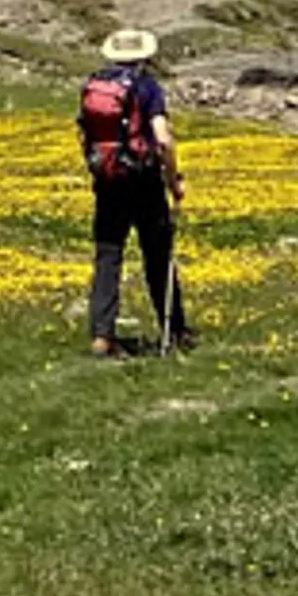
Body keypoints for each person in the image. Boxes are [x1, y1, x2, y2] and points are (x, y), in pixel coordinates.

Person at [80, 27, 193, 356]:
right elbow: (163, 139)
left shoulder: (95, 85)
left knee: (108, 256)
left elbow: (84, 133)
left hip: (107, 180)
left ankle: (102, 336)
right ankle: (175, 330)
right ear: (144, 56)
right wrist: (174, 180)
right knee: (157, 255)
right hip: (143, 181)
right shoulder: (146, 87)